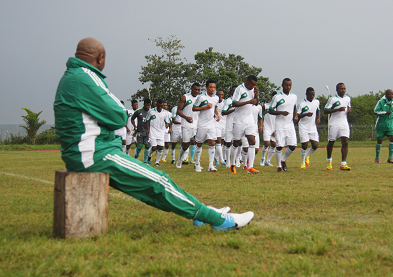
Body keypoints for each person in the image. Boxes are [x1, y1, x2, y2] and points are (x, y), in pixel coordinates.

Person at [54, 37, 253, 231]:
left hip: (87, 152)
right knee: (158, 182)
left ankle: (202, 212)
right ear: (101, 58)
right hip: (94, 153)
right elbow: (117, 115)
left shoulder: (74, 76)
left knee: (151, 183)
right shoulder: (85, 77)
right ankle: (216, 219)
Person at [230, 76, 260, 174]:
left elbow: (256, 103)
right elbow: (234, 104)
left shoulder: (253, 90)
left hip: (250, 119)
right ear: (247, 81)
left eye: (254, 85)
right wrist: (248, 102)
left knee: (252, 141)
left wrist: (255, 95)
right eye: (251, 85)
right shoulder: (240, 89)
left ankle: (250, 167)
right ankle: (232, 164)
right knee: (236, 143)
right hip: (239, 120)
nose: (252, 87)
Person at [269, 78, 298, 172]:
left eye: (290, 85)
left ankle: (283, 160)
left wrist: (296, 115)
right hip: (279, 125)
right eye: (286, 85)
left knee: (293, 146)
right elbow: (270, 110)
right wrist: (281, 112)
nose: (288, 87)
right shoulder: (277, 97)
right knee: (279, 146)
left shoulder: (294, 96)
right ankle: (278, 166)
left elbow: (294, 107)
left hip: (290, 124)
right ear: (282, 85)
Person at [192, 80, 221, 172]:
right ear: (207, 87)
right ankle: (197, 164)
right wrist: (205, 107)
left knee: (212, 143)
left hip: (211, 124)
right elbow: (194, 108)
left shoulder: (216, 98)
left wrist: (217, 114)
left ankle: (210, 166)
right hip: (202, 124)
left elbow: (215, 106)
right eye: (211, 87)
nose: (213, 89)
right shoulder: (201, 97)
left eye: (214, 87)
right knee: (199, 143)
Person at [324, 83, 351, 171]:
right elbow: (325, 110)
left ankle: (343, 163)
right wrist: (337, 109)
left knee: (345, 142)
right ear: (337, 90)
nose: (343, 90)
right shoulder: (332, 99)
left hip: (344, 122)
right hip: (334, 123)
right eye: (341, 89)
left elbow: (349, 107)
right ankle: (329, 161)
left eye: (344, 88)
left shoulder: (347, 98)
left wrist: (349, 110)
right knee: (331, 142)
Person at [175, 83, 201, 168]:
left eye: (198, 90)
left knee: (198, 143)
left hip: (196, 125)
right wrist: (185, 117)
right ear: (191, 89)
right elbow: (178, 111)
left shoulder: (200, 98)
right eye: (195, 89)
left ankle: (197, 163)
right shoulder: (185, 97)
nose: (197, 91)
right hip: (186, 124)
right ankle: (179, 159)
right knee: (185, 145)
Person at [297, 87, 321, 169]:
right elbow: (297, 115)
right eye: (310, 94)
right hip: (303, 127)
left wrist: (318, 118)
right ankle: (302, 162)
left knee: (315, 145)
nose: (312, 96)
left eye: (313, 94)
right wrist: (306, 114)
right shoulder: (301, 104)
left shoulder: (316, 102)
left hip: (312, 127)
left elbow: (318, 110)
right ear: (306, 94)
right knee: (304, 145)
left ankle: (307, 156)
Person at [374, 89, 393, 163]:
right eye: (390, 94)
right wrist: (385, 112)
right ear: (386, 95)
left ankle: (390, 158)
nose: (391, 96)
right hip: (381, 124)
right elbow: (375, 111)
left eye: (392, 94)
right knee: (379, 141)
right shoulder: (381, 101)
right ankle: (377, 157)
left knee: (392, 139)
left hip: (390, 124)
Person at [145, 99, 170, 167]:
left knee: (161, 147)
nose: (160, 107)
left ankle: (157, 162)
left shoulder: (165, 113)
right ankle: (149, 155)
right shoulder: (151, 111)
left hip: (161, 132)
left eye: (161, 106)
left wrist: (167, 124)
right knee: (154, 148)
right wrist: (148, 129)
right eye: (159, 106)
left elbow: (167, 121)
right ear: (156, 105)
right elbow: (147, 120)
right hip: (153, 132)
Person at [260, 91, 277, 166]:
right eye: (273, 96)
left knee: (273, 144)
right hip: (267, 127)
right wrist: (261, 124)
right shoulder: (265, 106)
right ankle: (263, 158)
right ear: (271, 97)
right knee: (266, 143)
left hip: (275, 128)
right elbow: (260, 115)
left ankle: (268, 160)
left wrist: (276, 129)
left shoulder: (278, 107)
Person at [222, 85, 238, 168]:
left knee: (238, 143)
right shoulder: (228, 101)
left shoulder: (241, 100)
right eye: (234, 90)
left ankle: (236, 160)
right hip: (229, 124)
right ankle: (227, 161)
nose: (235, 92)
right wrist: (233, 110)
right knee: (228, 143)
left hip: (238, 124)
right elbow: (223, 112)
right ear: (232, 91)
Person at [215, 90, 226, 165]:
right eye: (219, 94)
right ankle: (222, 160)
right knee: (218, 140)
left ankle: (216, 157)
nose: (220, 96)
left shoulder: (225, 102)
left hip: (224, 124)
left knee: (222, 142)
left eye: (222, 95)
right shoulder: (213, 102)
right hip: (216, 123)